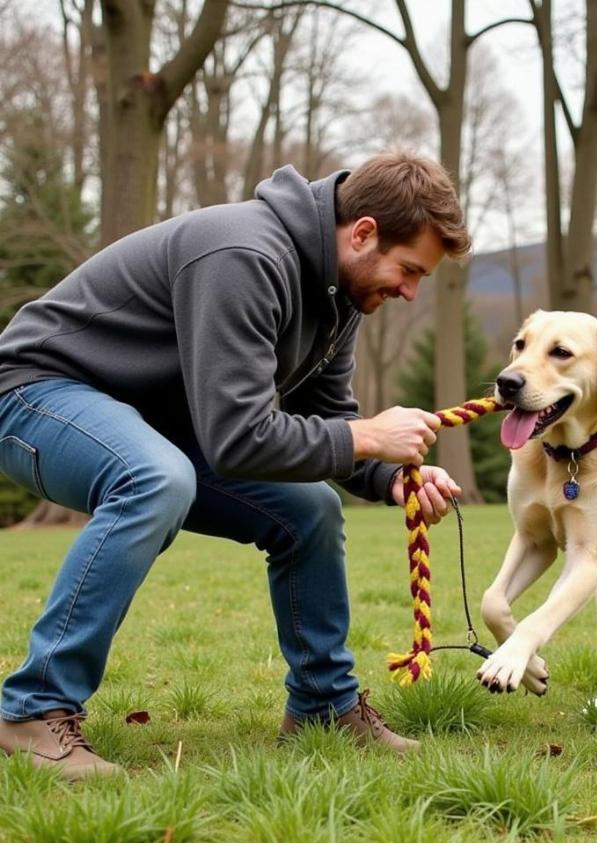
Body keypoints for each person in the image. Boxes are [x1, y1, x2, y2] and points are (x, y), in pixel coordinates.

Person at [0, 152, 470, 778]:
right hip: (37, 394)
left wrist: (391, 475)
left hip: (157, 426)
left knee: (310, 511)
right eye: (408, 269)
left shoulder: (341, 293)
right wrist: (366, 437)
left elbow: (327, 418)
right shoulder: (244, 255)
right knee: (156, 479)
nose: (410, 291)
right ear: (362, 232)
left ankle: (323, 706)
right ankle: (33, 709)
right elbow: (240, 440)